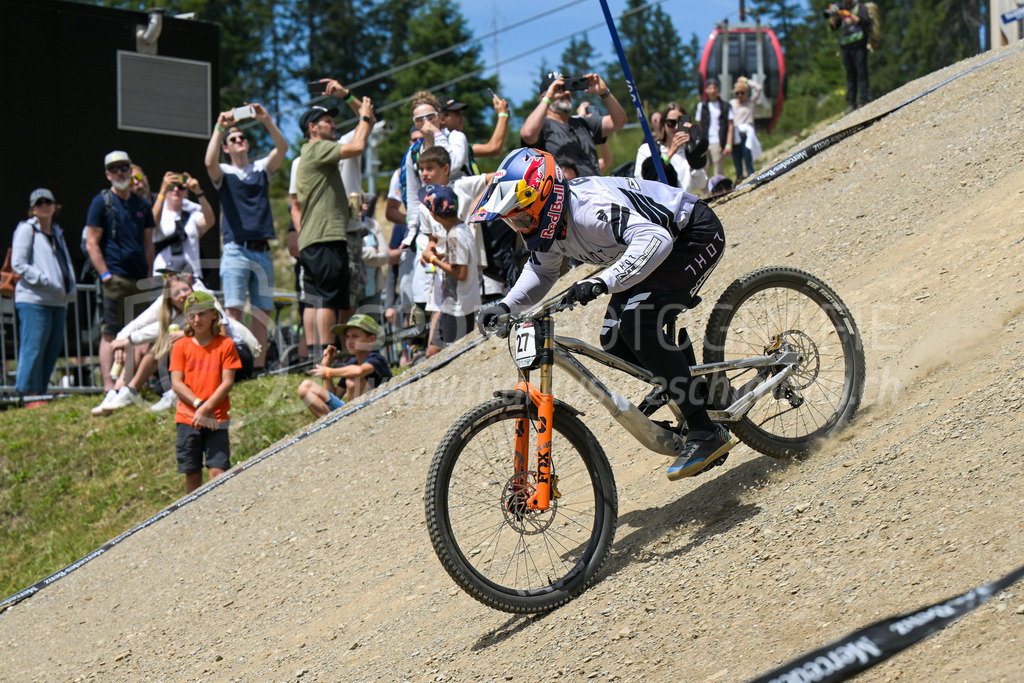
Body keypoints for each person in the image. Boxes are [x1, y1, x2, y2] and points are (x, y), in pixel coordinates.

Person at [474, 148, 736, 480]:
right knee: (614, 340)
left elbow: (656, 238)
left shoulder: (589, 209)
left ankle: (704, 431)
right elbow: (541, 272)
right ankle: (693, 389)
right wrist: (505, 306)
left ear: (545, 200)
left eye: (522, 218)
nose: (520, 228)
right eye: (512, 221)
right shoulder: (551, 223)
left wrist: (602, 280)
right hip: (648, 247)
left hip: (690, 234)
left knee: (637, 325)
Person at [94, 272, 260, 416]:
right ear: (170, 300)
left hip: (236, 356)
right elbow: (148, 326)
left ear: (192, 289)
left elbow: (221, 337)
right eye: (176, 293)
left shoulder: (205, 302)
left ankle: (134, 391)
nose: (183, 295)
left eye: (185, 289)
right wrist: (123, 340)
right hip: (205, 361)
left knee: (171, 341)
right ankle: (123, 391)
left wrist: (186, 334)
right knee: (159, 366)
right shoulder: (174, 314)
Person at [204, 102, 288, 375]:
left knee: (262, 312)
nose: (239, 140)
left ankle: (258, 367)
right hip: (235, 249)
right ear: (226, 148)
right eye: (233, 139)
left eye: (242, 137)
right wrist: (220, 126)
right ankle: (234, 366)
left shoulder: (261, 169)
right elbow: (209, 162)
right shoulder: (224, 173)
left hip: (262, 249)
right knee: (234, 311)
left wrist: (265, 119)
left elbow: (282, 148)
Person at [294, 85, 376, 359]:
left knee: (318, 299)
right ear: (313, 128)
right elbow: (359, 145)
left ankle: (318, 356)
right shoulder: (318, 148)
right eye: (328, 121)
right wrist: (363, 115)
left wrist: (351, 99)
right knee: (329, 300)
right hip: (326, 236)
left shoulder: (310, 152)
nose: (333, 124)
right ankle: (328, 357)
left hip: (316, 237)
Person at [84, 150, 156, 401]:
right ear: (108, 174)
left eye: (124, 168)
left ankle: (127, 386)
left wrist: (149, 275)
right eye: (114, 169)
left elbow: (148, 244)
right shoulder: (101, 202)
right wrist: (105, 274)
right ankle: (109, 387)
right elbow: (91, 242)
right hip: (115, 278)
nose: (120, 173)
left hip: (139, 279)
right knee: (110, 333)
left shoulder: (143, 205)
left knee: (137, 335)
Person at [169, 290, 242, 494]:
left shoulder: (226, 344)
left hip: (216, 417)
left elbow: (227, 382)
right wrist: (199, 405)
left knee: (218, 471)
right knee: (192, 473)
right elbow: (177, 383)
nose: (197, 319)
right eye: (192, 315)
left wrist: (207, 408)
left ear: (213, 315)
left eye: (202, 314)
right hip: (187, 417)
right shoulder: (181, 346)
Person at [11, 188, 76, 401]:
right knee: (34, 346)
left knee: (51, 349)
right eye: (39, 203)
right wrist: (44, 280)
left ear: (55, 206)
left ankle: (39, 393)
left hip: (58, 301)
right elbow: (18, 263)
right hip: (34, 300)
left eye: (48, 201)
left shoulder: (57, 232)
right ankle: (27, 394)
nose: (44, 206)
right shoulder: (26, 229)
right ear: (33, 209)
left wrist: (68, 289)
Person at [519, 71, 627, 178]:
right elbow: (527, 134)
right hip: (565, 188)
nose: (565, 93)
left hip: (595, 186)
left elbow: (619, 121)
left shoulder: (582, 123)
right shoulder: (542, 126)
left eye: (567, 88)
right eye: (558, 89)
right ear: (544, 96)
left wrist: (604, 92)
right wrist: (548, 99)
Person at [420, 184, 479, 355]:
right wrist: (440, 257)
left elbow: (460, 273)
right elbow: (459, 262)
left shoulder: (454, 236)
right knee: (435, 351)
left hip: (457, 308)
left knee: (453, 354)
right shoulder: (461, 228)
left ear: (433, 215)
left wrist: (432, 259)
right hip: (460, 304)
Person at [296, 313, 391, 418]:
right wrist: (326, 365)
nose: (349, 341)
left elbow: (359, 371)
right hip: (349, 412)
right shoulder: (352, 363)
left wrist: (329, 372)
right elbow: (335, 395)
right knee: (305, 387)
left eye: (355, 336)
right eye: (347, 337)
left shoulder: (376, 359)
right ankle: (329, 422)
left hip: (375, 410)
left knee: (353, 381)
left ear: (371, 339)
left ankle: (356, 420)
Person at [633, 103, 709, 195]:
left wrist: (695, 156)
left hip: (683, 202)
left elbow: (701, 184)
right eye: (671, 123)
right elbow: (642, 179)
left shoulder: (687, 152)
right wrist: (670, 152)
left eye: (681, 123)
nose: (676, 127)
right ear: (663, 124)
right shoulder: (647, 149)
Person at [150, 171, 215, 278]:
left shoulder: (192, 213)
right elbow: (151, 224)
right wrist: (162, 190)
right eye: (171, 187)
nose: (176, 190)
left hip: (191, 277)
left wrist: (198, 192)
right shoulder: (160, 213)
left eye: (181, 187)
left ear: (186, 191)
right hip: (164, 276)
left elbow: (209, 222)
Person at [828, 0, 871, 113]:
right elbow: (834, 27)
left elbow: (864, 22)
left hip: (859, 44)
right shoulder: (841, 10)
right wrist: (833, 14)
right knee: (850, 75)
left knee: (861, 72)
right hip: (846, 46)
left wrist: (849, 14)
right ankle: (851, 103)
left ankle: (863, 99)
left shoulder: (860, 7)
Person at [695, 78, 732, 178]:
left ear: (718, 89)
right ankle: (705, 188)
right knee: (704, 171)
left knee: (718, 171)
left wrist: (728, 144)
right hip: (705, 141)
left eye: (715, 88)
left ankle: (718, 187)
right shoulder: (701, 106)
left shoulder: (725, 106)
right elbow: (699, 125)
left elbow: (730, 126)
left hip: (718, 141)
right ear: (706, 90)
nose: (712, 90)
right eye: (710, 88)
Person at [728, 77, 762, 181]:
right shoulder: (732, 103)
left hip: (747, 136)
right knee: (737, 162)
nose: (740, 95)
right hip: (736, 136)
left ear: (746, 93)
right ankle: (739, 179)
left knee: (748, 159)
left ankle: (752, 178)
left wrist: (747, 81)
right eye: (737, 93)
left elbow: (759, 88)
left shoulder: (750, 102)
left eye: (742, 93)